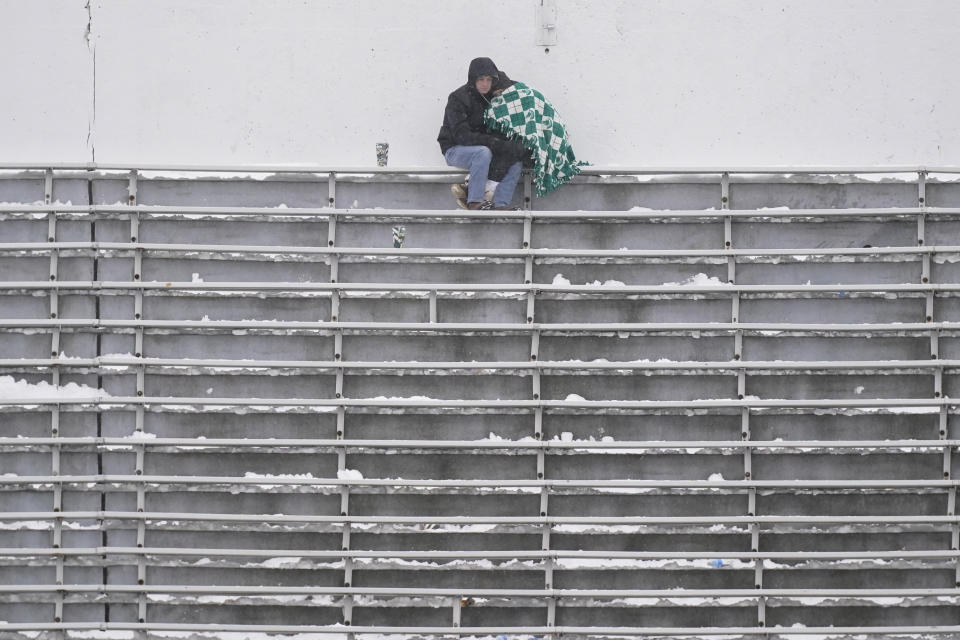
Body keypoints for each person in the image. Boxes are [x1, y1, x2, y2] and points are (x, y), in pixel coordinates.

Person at [437, 57, 528, 210]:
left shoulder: (492, 96)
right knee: (482, 152)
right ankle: (474, 201)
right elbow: (462, 136)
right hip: (455, 149)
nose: (485, 84)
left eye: (488, 79)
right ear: (473, 80)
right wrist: (494, 143)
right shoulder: (458, 98)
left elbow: (515, 87)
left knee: (515, 162)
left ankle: (500, 206)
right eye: (480, 80)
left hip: (485, 149)